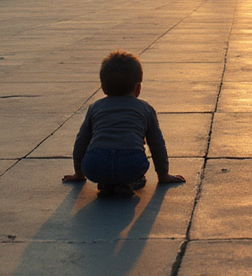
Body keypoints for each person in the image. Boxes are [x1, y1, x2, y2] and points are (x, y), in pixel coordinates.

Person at [63, 50, 185, 196]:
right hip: (130, 164)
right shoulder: (145, 109)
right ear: (138, 87)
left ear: (103, 87)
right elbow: (157, 144)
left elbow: (81, 141)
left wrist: (79, 173)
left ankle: (107, 182)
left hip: (95, 165)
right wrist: (163, 174)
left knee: (104, 167)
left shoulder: (95, 108)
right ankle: (128, 182)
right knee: (133, 170)